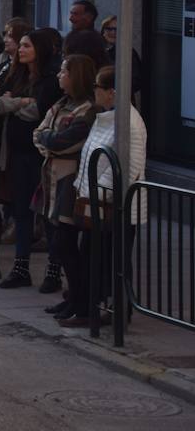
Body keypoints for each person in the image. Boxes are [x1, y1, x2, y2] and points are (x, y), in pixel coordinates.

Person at [71, 65, 147, 327]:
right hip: (98, 200)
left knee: (114, 259)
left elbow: (127, 167)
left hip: (116, 205)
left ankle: (115, 312)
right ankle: (100, 307)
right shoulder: (107, 117)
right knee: (96, 256)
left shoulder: (128, 122)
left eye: (97, 87)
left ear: (111, 92)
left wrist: (97, 191)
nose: (94, 92)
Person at [0, 30, 60, 288]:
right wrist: (21, 101)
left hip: (40, 154)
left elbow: (38, 113)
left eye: (26, 46)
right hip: (17, 152)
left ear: (39, 49)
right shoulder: (16, 75)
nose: (20, 50)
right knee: (20, 210)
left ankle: (54, 270)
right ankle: (21, 267)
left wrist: (15, 105)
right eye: (20, 45)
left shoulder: (50, 80)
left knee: (46, 213)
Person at [32, 55, 98, 299]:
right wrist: (48, 143)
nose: (60, 76)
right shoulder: (60, 104)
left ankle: (78, 294)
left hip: (69, 181)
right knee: (55, 235)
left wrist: (49, 142)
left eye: (64, 72)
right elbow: (39, 133)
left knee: (67, 239)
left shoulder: (88, 110)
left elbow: (66, 142)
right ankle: (73, 293)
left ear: (76, 76)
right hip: (50, 175)